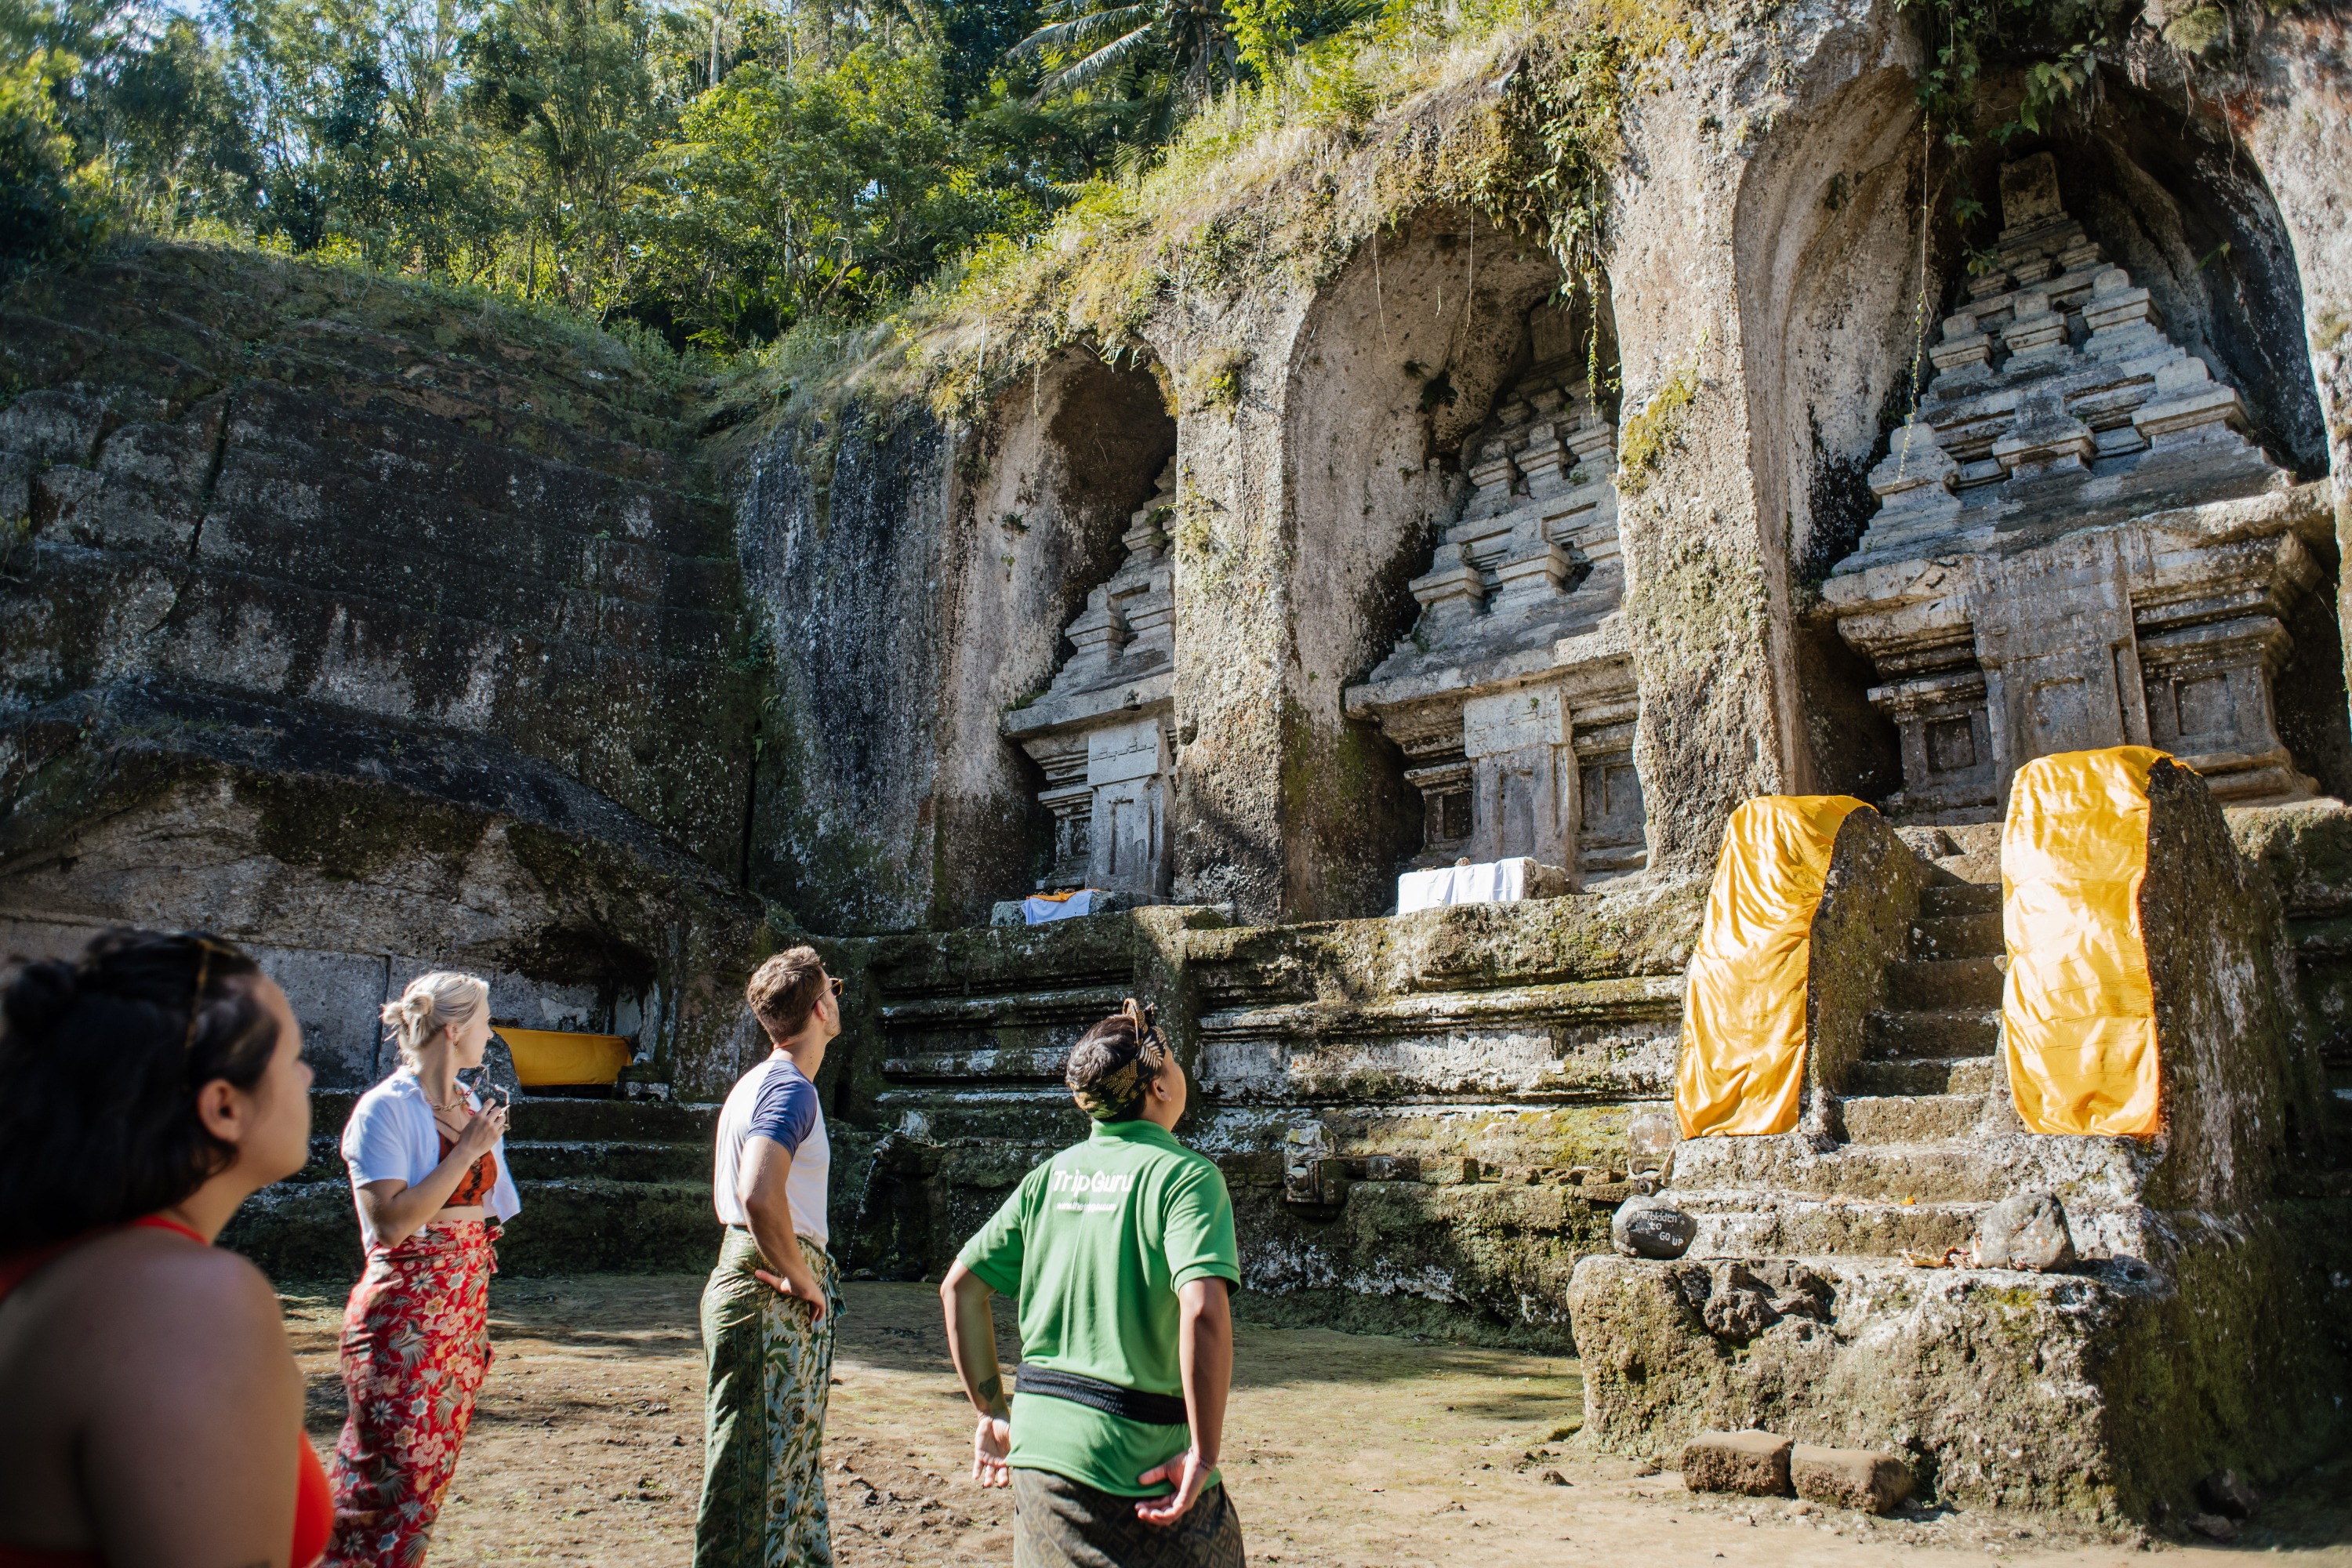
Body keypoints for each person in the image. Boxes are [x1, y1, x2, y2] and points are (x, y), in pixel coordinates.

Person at [0, 928, 332, 1568]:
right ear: (224, 1108)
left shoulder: (57, 1265)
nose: (308, 1074)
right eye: (293, 1056)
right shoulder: (184, 1302)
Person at [942, 999, 1245, 1568]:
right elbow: (1202, 1311)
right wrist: (1203, 1454)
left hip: (1038, 1455)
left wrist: (993, 1412)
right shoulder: (1185, 1178)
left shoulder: (1046, 1179)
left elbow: (959, 1288)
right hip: (1138, 1459)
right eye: (1174, 1062)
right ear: (1158, 1087)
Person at [325, 971, 518, 1568]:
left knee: (424, 1489)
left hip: (458, 1318)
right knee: (384, 1486)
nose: (491, 1033)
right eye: (485, 1020)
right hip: (402, 1318)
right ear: (454, 1029)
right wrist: (467, 1151)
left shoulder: (471, 1107)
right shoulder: (383, 1109)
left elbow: (490, 1213)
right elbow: (389, 1224)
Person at [695, 946, 843, 1568]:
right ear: (819, 1006)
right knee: (760, 1479)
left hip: (747, 1272)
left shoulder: (754, 1084)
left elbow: (725, 1197)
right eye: (832, 988)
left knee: (782, 1468)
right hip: (770, 1288)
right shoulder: (789, 1088)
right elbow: (757, 1193)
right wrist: (800, 1275)